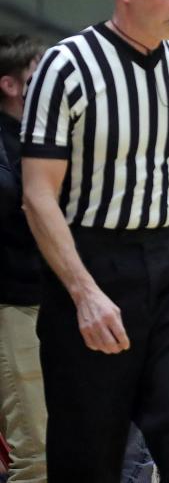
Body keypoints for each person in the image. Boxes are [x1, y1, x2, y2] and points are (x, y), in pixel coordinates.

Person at [19, 0, 169, 482]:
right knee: (90, 454)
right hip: (93, 262)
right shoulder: (65, 67)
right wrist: (84, 295)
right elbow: (38, 195)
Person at [0, 34, 46, 483]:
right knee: (38, 456)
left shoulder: (49, 134)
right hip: (15, 304)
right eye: (38, 75)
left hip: (60, 301)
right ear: (11, 85)